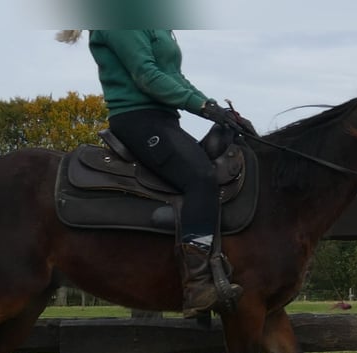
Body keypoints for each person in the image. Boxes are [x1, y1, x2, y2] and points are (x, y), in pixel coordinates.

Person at [57, 29, 251, 318]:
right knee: (200, 177)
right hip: (138, 118)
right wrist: (202, 106)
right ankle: (197, 285)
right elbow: (146, 76)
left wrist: (212, 107)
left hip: (166, 120)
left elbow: (174, 77)